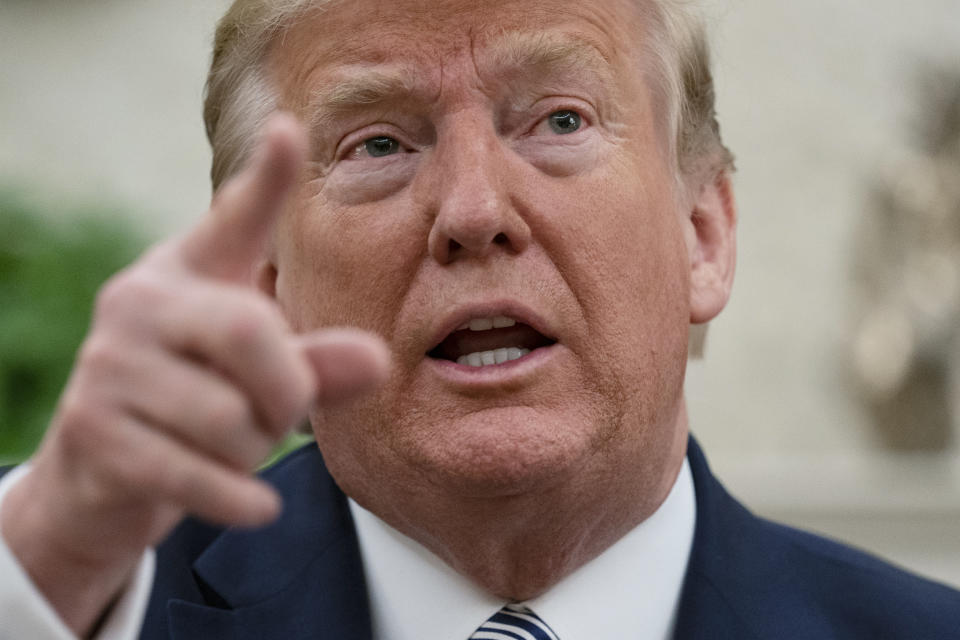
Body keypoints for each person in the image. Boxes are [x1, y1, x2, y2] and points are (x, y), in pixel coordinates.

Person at [2, 0, 959, 638]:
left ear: (702, 236)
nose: (472, 211)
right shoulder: (65, 590)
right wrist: (53, 560)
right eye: (377, 141)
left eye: (559, 120)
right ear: (265, 285)